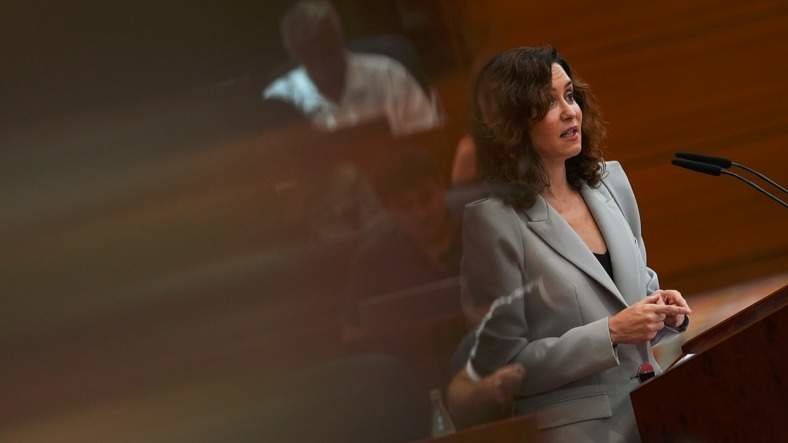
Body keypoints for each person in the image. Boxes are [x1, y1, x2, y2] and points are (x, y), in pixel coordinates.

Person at [460, 47, 691, 442]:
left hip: (655, 406)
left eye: (570, 95)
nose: (570, 111)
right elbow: (503, 368)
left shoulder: (610, 183)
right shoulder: (494, 223)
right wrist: (610, 333)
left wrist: (662, 309)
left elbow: (633, 292)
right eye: (549, 103)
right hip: (581, 431)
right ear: (514, 124)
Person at [262, 0, 440, 137]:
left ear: (340, 40)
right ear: (297, 56)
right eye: (310, 52)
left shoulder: (388, 74)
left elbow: (428, 132)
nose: (322, 58)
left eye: (327, 46)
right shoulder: (281, 99)